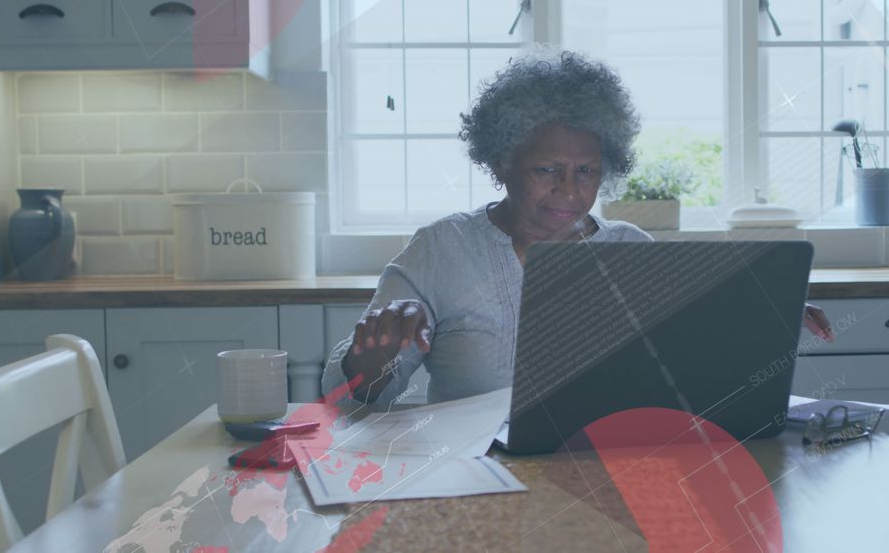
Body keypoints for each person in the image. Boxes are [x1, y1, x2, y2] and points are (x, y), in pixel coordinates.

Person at [321, 49, 833, 405]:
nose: (569, 189)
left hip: (608, 474)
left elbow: (689, 368)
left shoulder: (631, 250)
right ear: (501, 162)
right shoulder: (442, 250)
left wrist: (758, 324)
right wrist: (379, 356)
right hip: (479, 483)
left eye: (586, 171)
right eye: (548, 170)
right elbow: (345, 398)